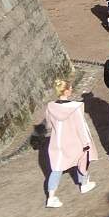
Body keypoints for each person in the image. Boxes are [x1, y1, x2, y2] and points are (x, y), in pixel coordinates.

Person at [43, 78, 96, 208]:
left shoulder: (50, 107)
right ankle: (84, 184)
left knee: (56, 170)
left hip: (57, 143)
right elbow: (80, 127)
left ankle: (51, 197)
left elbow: (49, 125)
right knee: (82, 160)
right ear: (66, 91)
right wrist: (86, 143)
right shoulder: (75, 108)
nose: (72, 90)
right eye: (70, 88)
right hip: (74, 142)